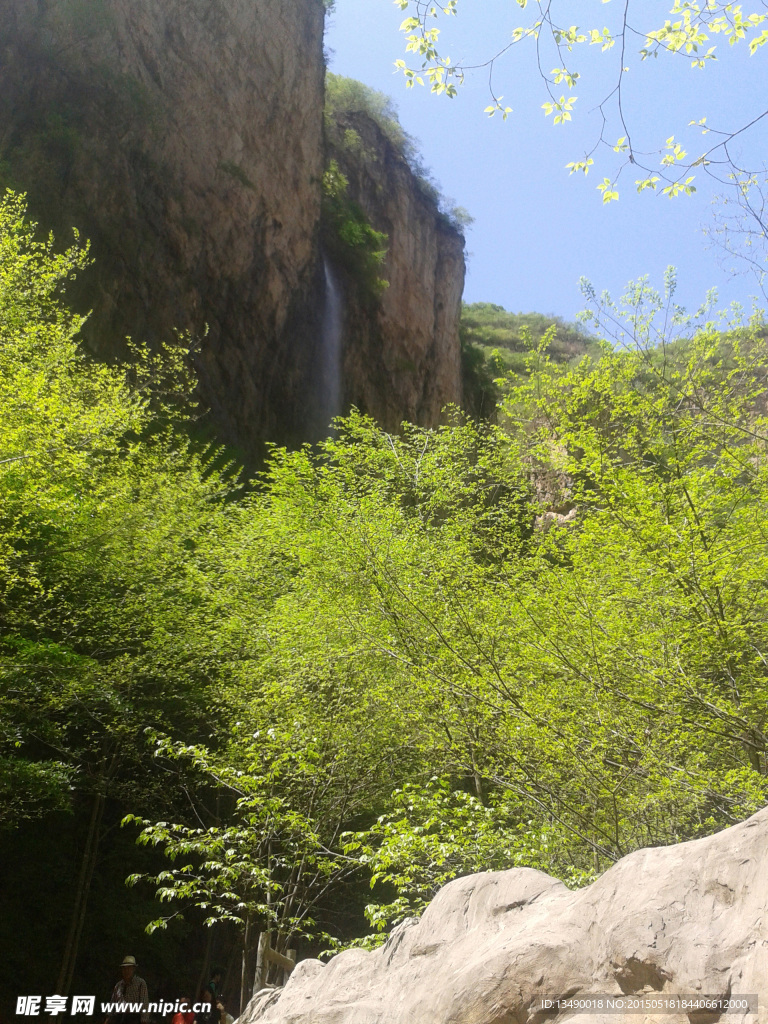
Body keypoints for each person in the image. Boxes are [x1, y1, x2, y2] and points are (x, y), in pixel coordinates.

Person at [104, 956, 150, 1024]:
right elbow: (112, 1004)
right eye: (124, 968)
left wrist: (144, 1020)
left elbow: (144, 1004)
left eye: (129, 968)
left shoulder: (140, 984)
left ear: (133, 969)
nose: (126, 971)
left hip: (134, 1018)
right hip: (119, 1018)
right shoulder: (118, 985)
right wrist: (107, 1020)